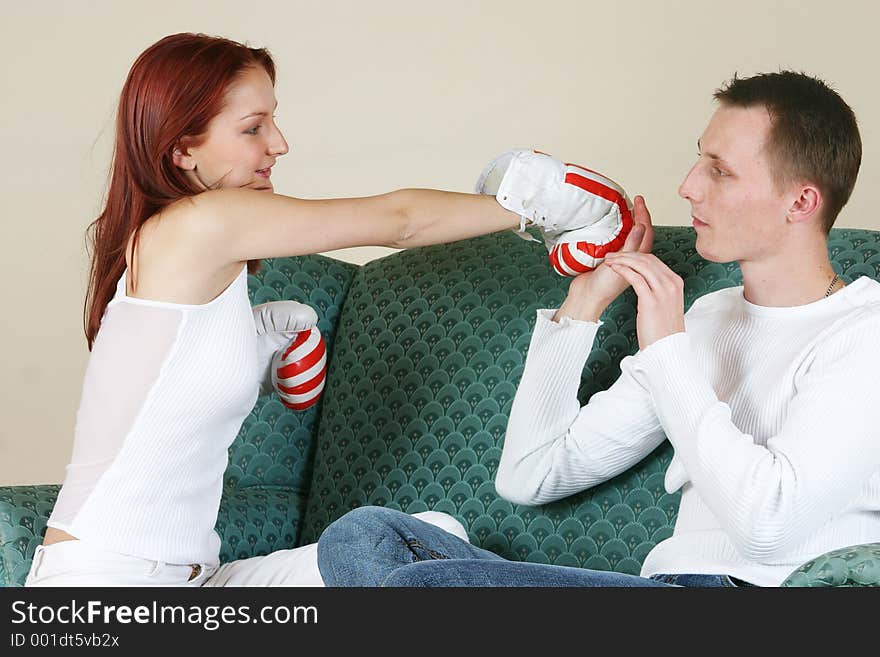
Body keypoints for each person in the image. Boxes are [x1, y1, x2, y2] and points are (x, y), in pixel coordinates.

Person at [25, 32, 608, 587]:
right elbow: (398, 220)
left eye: (273, 120)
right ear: (181, 148)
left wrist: (259, 343)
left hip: (202, 580)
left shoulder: (178, 249)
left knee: (422, 542)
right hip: (108, 586)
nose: (278, 144)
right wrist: (547, 204)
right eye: (253, 128)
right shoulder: (202, 224)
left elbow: (159, 391)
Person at [316, 70, 880, 588]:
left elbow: (769, 527)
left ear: (801, 201)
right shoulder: (705, 321)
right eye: (698, 160)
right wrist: (585, 299)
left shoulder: (862, 334)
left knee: (423, 590)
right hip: (666, 591)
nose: (687, 186)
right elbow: (531, 474)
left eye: (720, 170)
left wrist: (666, 350)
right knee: (364, 536)